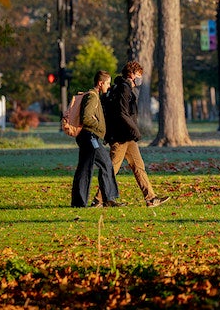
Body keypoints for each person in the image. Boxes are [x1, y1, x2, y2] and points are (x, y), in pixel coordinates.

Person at [93, 61, 170, 208]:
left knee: (138, 166)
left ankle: (151, 198)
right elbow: (122, 113)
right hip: (121, 137)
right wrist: (135, 130)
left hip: (127, 137)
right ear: (131, 74)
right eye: (139, 75)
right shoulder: (123, 88)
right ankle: (98, 200)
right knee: (112, 168)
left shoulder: (124, 88)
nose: (140, 78)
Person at [71, 70, 125, 208]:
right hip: (90, 137)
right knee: (106, 163)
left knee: (84, 168)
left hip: (88, 137)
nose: (108, 85)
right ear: (100, 83)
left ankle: (79, 202)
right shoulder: (92, 97)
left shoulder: (95, 96)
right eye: (107, 83)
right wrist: (100, 128)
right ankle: (108, 199)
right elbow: (86, 118)